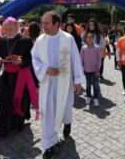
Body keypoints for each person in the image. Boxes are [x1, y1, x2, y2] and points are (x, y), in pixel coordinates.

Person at [31, 11, 84, 159]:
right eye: (42, 23)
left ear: (57, 24)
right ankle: (50, 144)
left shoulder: (68, 39)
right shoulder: (40, 40)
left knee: (65, 109)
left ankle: (67, 123)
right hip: (47, 83)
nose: (43, 26)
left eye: (46, 23)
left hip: (64, 82)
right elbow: (34, 59)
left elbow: (75, 59)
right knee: (47, 112)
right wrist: (45, 70)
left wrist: (78, 80)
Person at [0, 17, 37, 138]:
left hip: (21, 76)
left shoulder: (26, 40)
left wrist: (21, 61)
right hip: (7, 75)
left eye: (10, 29)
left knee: (20, 100)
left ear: (17, 27)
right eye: (5, 29)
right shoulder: (3, 40)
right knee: (4, 101)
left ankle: (18, 123)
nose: (7, 32)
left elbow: (32, 58)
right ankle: (2, 129)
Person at [80, 32, 102, 106]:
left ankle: (95, 98)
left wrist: (98, 69)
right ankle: (88, 97)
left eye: (91, 37)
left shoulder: (97, 48)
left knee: (95, 84)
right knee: (88, 84)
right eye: (88, 37)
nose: (89, 39)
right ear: (86, 39)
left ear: (93, 39)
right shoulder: (83, 48)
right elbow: (81, 59)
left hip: (95, 70)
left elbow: (99, 59)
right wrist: (80, 69)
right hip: (87, 70)